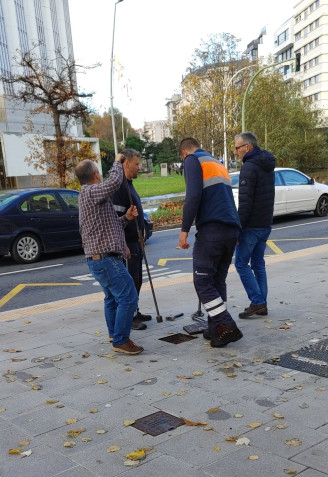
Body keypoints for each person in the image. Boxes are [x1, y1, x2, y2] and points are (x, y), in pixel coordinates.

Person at [75, 157, 144, 355]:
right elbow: (114, 182)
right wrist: (117, 162)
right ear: (96, 174)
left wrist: (127, 218)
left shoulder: (95, 198)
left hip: (102, 258)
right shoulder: (90, 191)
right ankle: (121, 340)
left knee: (112, 299)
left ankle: (115, 334)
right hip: (105, 259)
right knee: (129, 296)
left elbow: (111, 225)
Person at [178, 137, 243, 348]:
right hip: (230, 229)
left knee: (203, 282)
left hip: (212, 230)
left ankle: (226, 325)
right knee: (217, 281)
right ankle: (216, 329)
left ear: (184, 153)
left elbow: (193, 195)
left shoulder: (192, 160)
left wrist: (184, 229)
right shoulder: (216, 162)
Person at [233, 132, 275, 318]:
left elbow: (246, 202)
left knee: (241, 263)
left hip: (251, 226)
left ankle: (257, 301)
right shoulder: (267, 164)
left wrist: (237, 228)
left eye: (237, 148)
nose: (235, 152)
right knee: (258, 263)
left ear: (247, 148)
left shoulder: (249, 167)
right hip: (265, 223)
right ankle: (261, 303)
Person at [112, 148, 152, 331]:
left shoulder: (129, 184)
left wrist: (141, 233)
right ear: (126, 164)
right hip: (127, 242)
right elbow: (117, 217)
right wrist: (125, 242)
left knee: (137, 279)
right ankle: (129, 316)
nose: (139, 167)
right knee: (129, 280)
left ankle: (134, 311)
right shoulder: (119, 187)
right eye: (136, 164)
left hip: (136, 240)